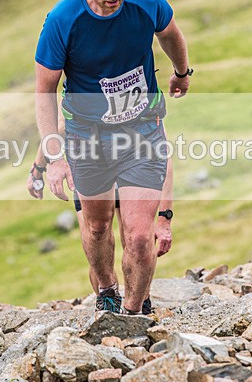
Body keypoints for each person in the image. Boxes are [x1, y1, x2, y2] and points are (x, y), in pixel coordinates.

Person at [34, 0, 190, 315]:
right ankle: (105, 288)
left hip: (142, 132)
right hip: (87, 137)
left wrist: (181, 72)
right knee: (99, 226)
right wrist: (54, 158)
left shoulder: (147, 1)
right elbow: (44, 92)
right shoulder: (62, 20)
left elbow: (171, 33)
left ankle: (133, 315)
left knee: (138, 237)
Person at [26, 109, 174, 315]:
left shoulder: (140, 96)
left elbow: (164, 159)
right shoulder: (78, 93)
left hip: (131, 163)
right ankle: (107, 299)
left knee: (137, 236)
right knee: (95, 232)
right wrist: (38, 169)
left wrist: (164, 216)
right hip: (89, 165)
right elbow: (56, 130)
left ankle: (141, 300)